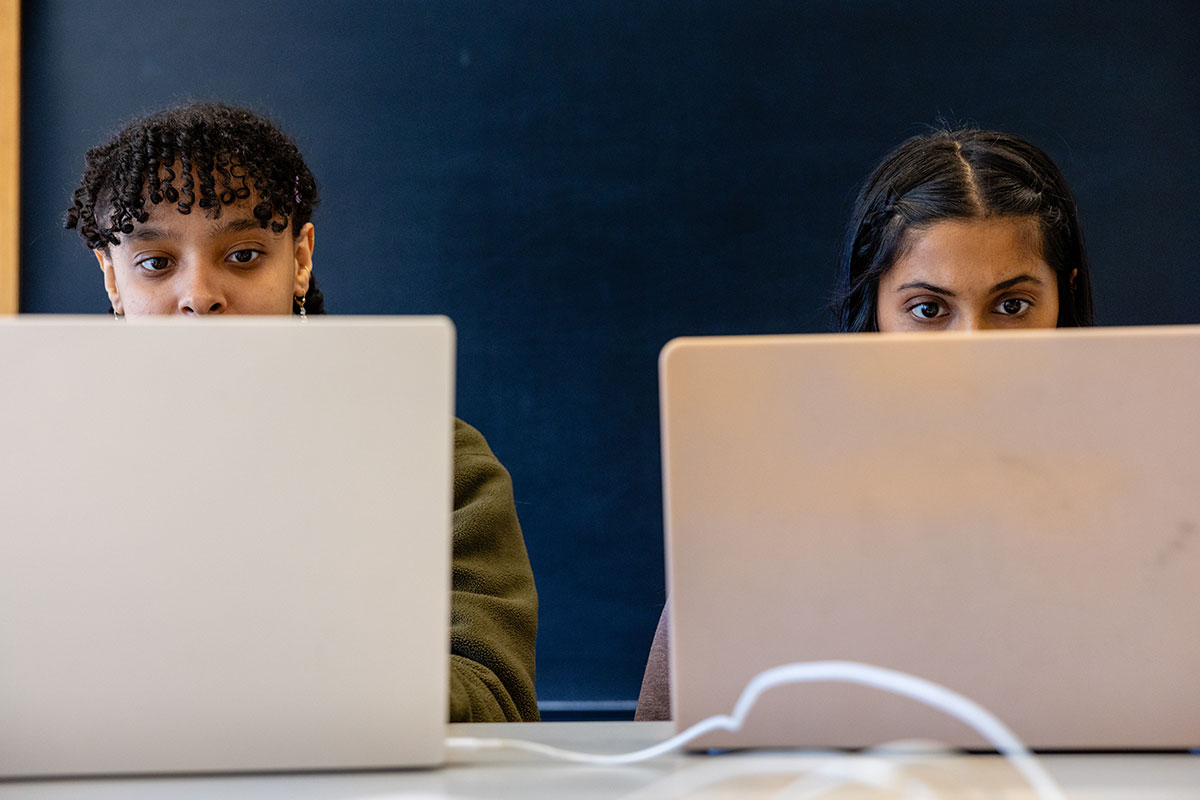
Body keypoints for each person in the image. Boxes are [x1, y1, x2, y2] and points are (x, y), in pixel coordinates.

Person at [64, 102, 539, 723]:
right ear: (112, 279)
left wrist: (269, 658)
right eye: (155, 262)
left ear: (301, 258)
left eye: (243, 255)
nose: (199, 296)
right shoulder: (40, 465)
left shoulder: (429, 456)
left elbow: (494, 701)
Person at [634, 127, 1097, 721]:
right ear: (873, 308)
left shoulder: (1153, 490)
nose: (971, 348)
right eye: (928, 309)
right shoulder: (771, 505)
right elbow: (665, 736)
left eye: (1011, 306)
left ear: (1065, 295)